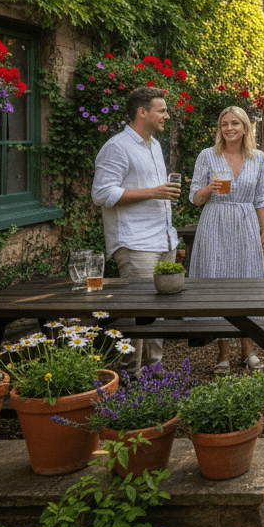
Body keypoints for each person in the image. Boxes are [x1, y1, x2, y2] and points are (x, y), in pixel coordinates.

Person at [91, 86, 179, 375]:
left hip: (163, 238)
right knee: (138, 314)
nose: (167, 115)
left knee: (156, 315)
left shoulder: (153, 145)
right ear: (143, 112)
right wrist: (153, 191)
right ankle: (129, 376)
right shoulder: (116, 147)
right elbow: (102, 194)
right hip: (135, 242)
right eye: (162, 110)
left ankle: (155, 373)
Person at [188, 106, 264, 373]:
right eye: (224, 124)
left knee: (248, 283)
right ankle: (223, 354)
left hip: (246, 222)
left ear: (245, 127)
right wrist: (208, 188)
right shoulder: (207, 156)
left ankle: (249, 351)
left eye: (235, 123)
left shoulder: (257, 157)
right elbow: (194, 199)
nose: (229, 128)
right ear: (219, 128)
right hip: (215, 223)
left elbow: (261, 197)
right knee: (218, 284)